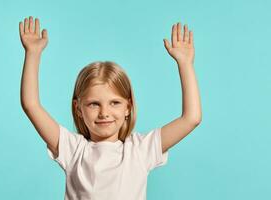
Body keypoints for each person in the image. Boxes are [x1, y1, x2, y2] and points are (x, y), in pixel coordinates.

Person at [19, 16, 202, 200]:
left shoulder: (139, 151)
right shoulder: (73, 150)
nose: (104, 113)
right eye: (93, 104)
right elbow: (31, 105)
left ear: (128, 107)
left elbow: (191, 118)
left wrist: (185, 64)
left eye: (114, 103)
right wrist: (33, 53)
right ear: (78, 108)